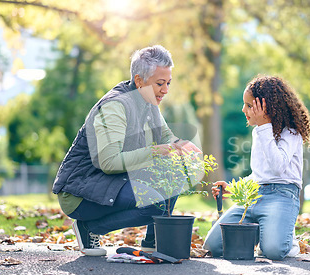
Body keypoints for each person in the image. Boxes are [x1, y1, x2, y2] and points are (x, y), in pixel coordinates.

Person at [52, 45, 200, 256]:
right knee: (157, 205)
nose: (165, 90)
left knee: (174, 176)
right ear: (139, 81)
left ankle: (152, 241)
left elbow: (165, 136)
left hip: (111, 181)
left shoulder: (148, 100)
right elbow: (109, 163)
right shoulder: (115, 106)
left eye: (168, 83)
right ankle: (87, 228)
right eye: (160, 83)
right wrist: (157, 151)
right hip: (81, 189)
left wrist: (180, 144)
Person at [203, 75, 310, 260]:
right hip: (254, 196)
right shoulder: (258, 133)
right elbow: (259, 174)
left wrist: (264, 126)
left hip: (282, 196)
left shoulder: (291, 132)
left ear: (265, 107)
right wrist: (233, 188)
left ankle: (286, 239)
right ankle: (266, 228)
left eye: (249, 105)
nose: (243, 109)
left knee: (273, 251)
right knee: (214, 246)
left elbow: (278, 167)